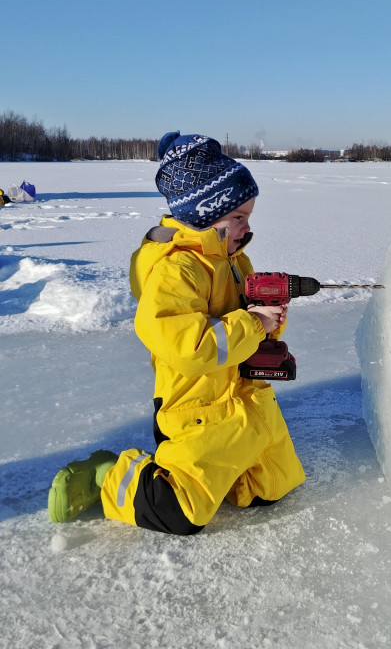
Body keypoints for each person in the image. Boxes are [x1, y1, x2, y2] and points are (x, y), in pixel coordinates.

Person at [48, 132, 305, 534]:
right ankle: (106, 472)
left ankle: (225, 472)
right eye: (238, 217)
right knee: (179, 512)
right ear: (204, 214)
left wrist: (271, 318)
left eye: (249, 215)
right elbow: (190, 346)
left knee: (270, 489)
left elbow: (247, 324)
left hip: (248, 403)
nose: (247, 226)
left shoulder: (236, 259)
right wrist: (254, 323)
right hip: (199, 409)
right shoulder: (175, 271)